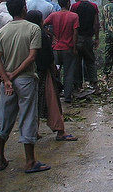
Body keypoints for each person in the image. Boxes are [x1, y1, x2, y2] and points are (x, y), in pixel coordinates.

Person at [0, 0, 50, 173]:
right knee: (28, 117)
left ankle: (0, 159)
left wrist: (6, 79)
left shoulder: (2, 32)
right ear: (24, 9)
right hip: (26, 79)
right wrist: (16, 74)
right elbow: (32, 57)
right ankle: (30, 161)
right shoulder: (33, 29)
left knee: (4, 117)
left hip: (7, 82)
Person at [26, 10, 77, 142]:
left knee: (32, 103)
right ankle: (60, 130)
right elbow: (48, 56)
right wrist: (53, 69)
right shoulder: (41, 35)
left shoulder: (26, 33)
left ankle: (33, 131)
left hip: (29, 72)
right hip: (43, 71)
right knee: (52, 101)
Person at [44, 0, 79, 103]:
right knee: (68, 73)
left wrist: (51, 35)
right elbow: (75, 33)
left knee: (56, 72)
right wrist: (74, 47)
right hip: (68, 48)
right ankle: (67, 96)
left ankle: (56, 95)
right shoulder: (74, 16)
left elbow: (42, 24)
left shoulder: (54, 15)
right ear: (68, 3)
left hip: (56, 49)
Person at [70, 0, 100, 94]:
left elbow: (72, 24)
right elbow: (96, 23)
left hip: (78, 38)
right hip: (88, 38)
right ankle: (94, 84)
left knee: (76, 62)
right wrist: (96, 38)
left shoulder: (74, 7)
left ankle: (77, 86)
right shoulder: (93, 6)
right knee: (90, 61)